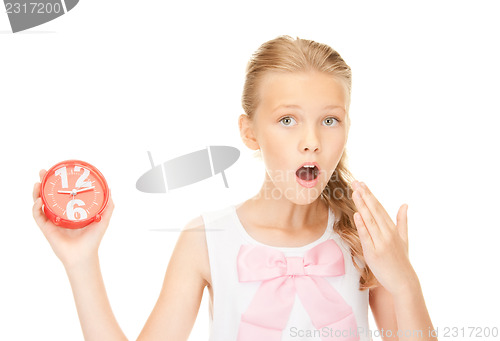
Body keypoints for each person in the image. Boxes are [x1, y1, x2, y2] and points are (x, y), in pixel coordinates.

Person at [32, 35, 437, 341]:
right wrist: (81, 262)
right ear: (249, 132)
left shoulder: (365, 236)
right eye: (288, 120)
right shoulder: (206, 240)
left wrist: (404, 280)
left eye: (329, 120)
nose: (311, 140)